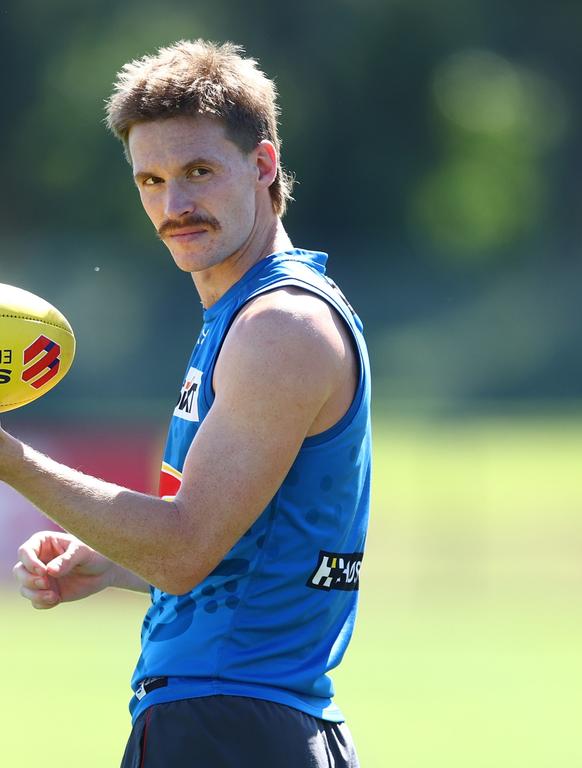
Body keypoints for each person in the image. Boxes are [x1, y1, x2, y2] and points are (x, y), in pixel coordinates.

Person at [5, 39, 370, 768]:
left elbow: (183, 549)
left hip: (229, 723)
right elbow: (243, 544)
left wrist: (9, 458)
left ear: (262, 166)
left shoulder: (279, 327)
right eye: (151, 180)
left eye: (198, 172)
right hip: (243, 720)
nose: (174, 205)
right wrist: (111, 560)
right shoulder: (245, 317)